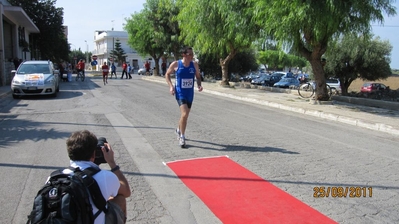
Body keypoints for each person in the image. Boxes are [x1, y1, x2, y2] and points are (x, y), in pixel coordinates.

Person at [63, 130, 131, 223]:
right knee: (120, 198)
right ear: (94, 154)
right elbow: (126, 192)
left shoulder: (54, 178)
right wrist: (112, 163)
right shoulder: (104, 177)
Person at [165, 47, 203, 147]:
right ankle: (182, 137)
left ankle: (178, 129)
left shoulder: (194, 64)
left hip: (190, 93)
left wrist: (199, 85)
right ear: (184, 54)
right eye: (189, 54)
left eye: (192, 54)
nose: (191, 56)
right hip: (180, 92)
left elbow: (198, 77)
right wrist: (171, 86)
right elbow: (167, 74)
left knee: (185, 116)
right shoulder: (176, 64)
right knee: (185, 113)